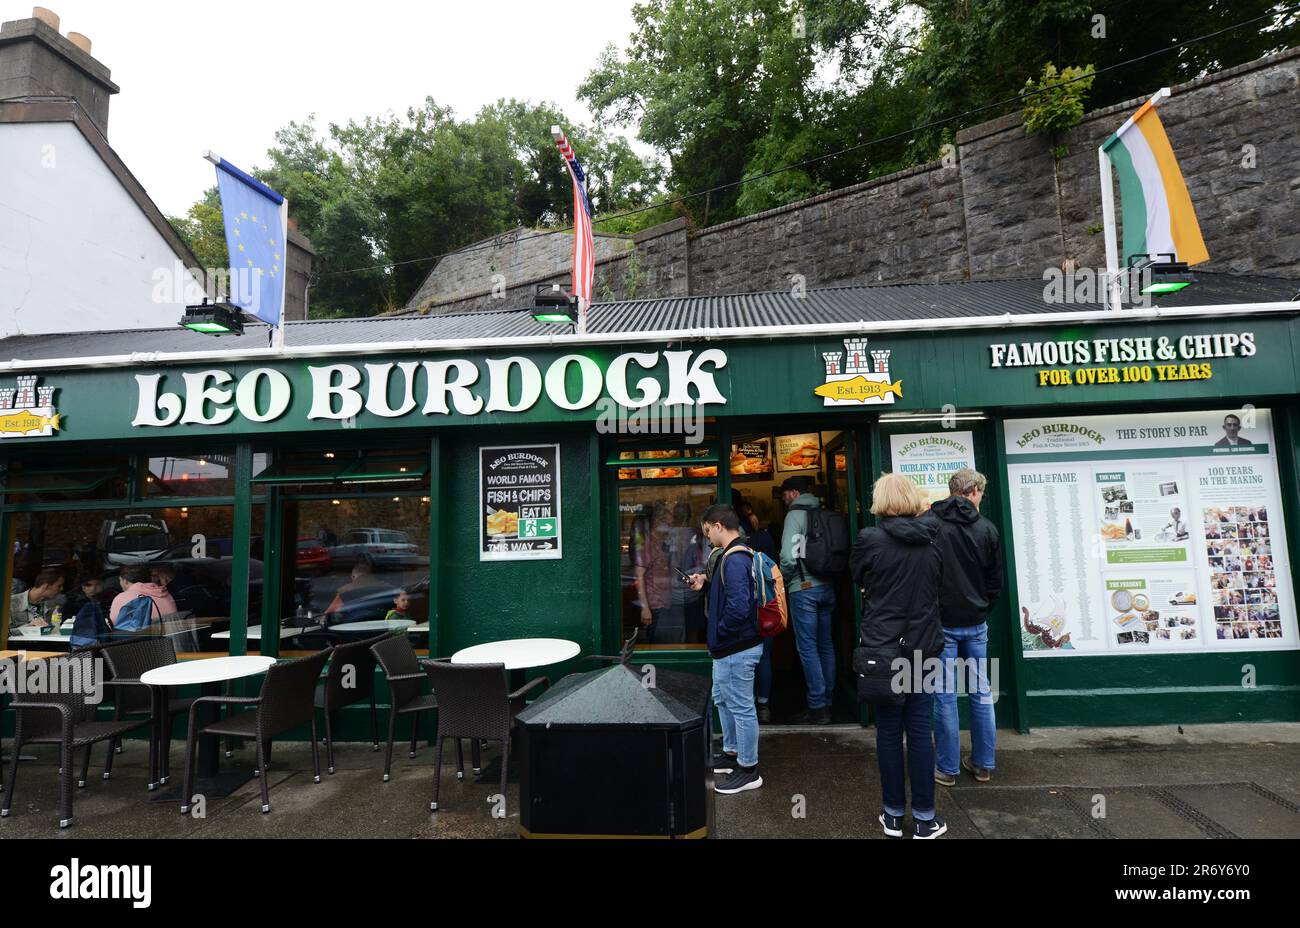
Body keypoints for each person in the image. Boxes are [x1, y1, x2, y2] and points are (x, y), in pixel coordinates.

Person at [852, 472, 947, 839]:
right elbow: (941, 586)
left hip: (882, 647)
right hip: (921, 645)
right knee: (921, 730)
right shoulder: (933, 539)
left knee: (889, 731)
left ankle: (892, 815)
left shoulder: (869, 539)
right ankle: (925, 818)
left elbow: (857, 576)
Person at [925, 468, 1003, 787]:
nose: (981, 498)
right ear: (972, 492)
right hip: (976, 622)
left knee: (944, 695)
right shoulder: (987, 529)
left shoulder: (930, 524)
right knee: (981, 691)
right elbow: (994, 582)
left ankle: (947, 768)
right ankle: (983, 764)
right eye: (980, 492)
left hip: (941, 622)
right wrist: (983, 608)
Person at [687, 504, 764, 795]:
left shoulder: (734, 558)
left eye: (708, 532)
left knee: (742, 708)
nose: (708, 539)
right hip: (730, 647)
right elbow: (726, 593)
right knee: (724, 700)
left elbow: (739, 606)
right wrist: (703, 584)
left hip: (735, 648)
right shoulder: (731, 556)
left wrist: (721, 633)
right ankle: (732, 753)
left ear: (718, 525)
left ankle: (749, 769)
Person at [779, 475, 836, 724]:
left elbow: (789, 556)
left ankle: (816, 707)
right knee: (826, 645)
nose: (783, 500)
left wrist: (783, 580)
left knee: (808, 648)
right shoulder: (822, 511)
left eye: (783, 495)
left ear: (792, 493)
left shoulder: (794, 515)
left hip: (804, 589)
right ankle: (830, 701)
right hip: (827, 587)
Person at [734, 491, 778, 723]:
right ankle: (764, 705)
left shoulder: (733, 542)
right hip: (765, 605)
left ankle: (748, 704)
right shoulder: (763, 537)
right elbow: (776, 570)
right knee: (764, 657)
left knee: (742, 657)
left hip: (744, 608)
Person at [109, 564, 178, 625]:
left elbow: (114, 625)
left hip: (146, 639)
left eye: (120, 580)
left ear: (125, 581)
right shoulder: (165, 593)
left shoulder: (121, 598)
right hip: (173, 637)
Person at [70, 576, 111, 649]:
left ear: (103, 585)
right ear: (83, 588)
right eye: (89, 585)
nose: (93, 588)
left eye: (97, 585)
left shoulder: (109, 602)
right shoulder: (74, 605)